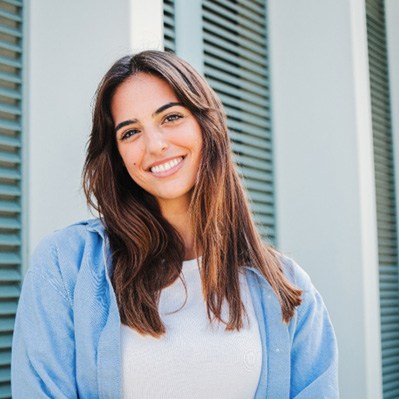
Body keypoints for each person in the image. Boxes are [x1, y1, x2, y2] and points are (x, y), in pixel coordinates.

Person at [11, 50, 338, 398]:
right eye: (130, 132)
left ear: (206, 125)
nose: (155, 145)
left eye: (170, 117)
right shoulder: (65, 266)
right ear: (118, 156)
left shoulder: (287, 287)